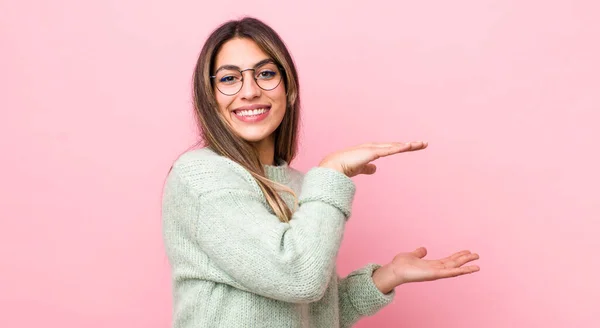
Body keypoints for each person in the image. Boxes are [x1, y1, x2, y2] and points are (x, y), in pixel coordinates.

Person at [161, 16, 480, 328]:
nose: (250, 91)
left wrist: (388, 276)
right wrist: (332, 171)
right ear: (210, 96)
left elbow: (314, 313)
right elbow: (297, 276)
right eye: (230, 78)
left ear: (288, 88)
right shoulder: (201, 176)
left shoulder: (301, 186)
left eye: (266, 73)